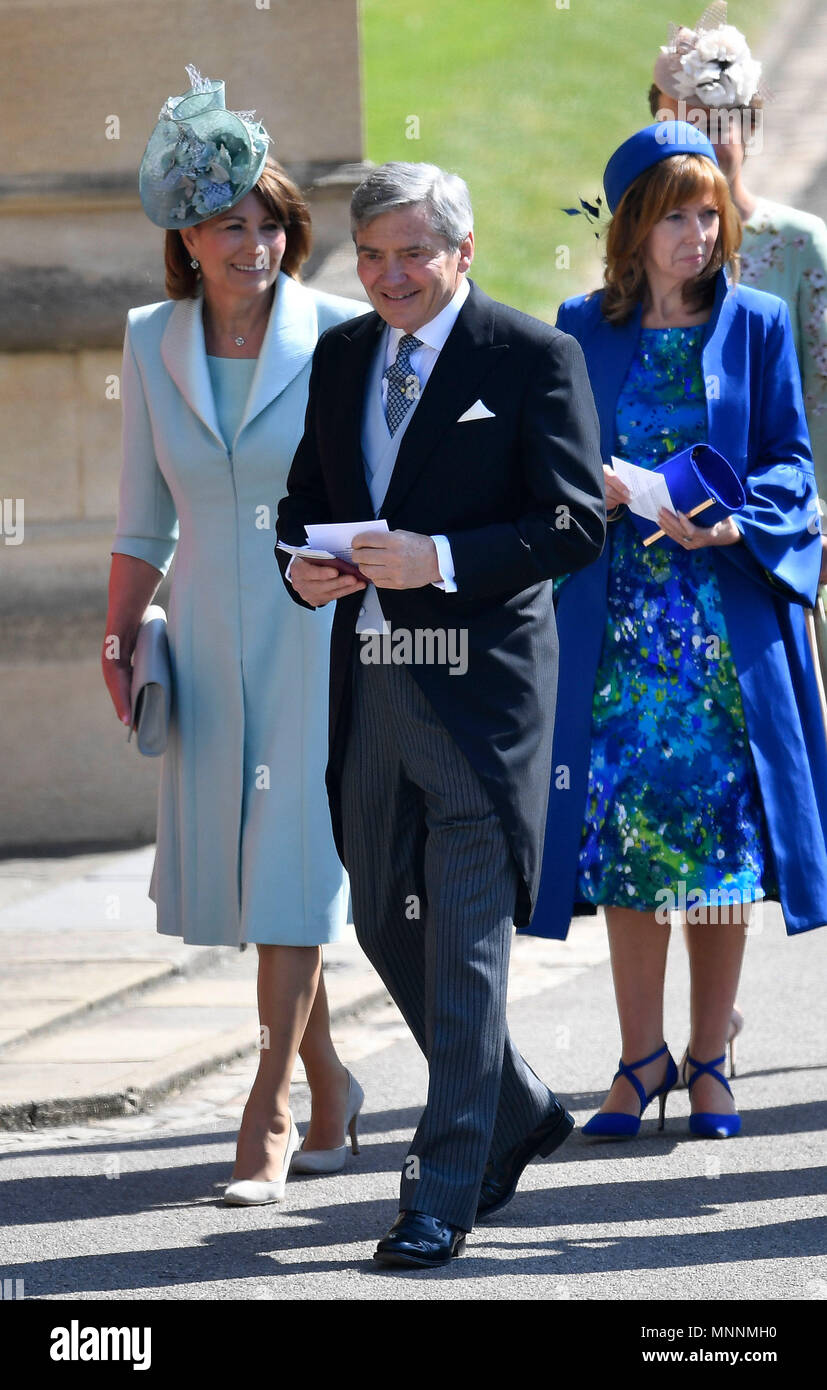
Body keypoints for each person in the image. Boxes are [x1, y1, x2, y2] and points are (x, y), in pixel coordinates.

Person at [277, 161, 606, 1266]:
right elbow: (303, 506)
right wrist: (302, 570)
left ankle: (440, 1189)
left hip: (480, 700)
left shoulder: (530, 358)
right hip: (368, 683)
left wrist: (442, 559)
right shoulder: (339, 356)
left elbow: (571, 527)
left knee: (464, 948)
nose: (389, 276)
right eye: (370, 256)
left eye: (412, 252)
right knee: (380, 920)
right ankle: (513, 1100)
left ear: (461, 253)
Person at [530, 122, 827, 1141]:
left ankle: (708, 1063)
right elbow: (542, 467)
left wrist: (736, 519)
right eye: (673, 215)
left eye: (707, 213)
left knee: (715, 856)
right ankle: (636, 1061)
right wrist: (597, 489)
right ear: (631, 226)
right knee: (625, 853)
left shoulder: (755, 325)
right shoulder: (577, 326)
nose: (696, 233)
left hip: (720, 635)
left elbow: (793, 463)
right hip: (615, 635)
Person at [102, 67, 367, 1205]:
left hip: (318, 626)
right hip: (204, 628)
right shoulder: (147, 338)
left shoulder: (342, 331)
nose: (253, 242)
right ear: (188, 239)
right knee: (243, 869)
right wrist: (119, 635)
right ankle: (331, 1079)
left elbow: (376, 484)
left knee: (296, 866)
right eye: (228, 224)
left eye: (268, 223)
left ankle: (266, 1115)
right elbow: (137, 516)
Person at [649, 3, 827, 503]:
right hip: (668, 512)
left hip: (776, 510)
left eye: (716, 126)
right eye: (683, 130)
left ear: (749, 129)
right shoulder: (640, 243)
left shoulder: (799, 241)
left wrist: (813, 518)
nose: (700, 148)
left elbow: (821, 390)